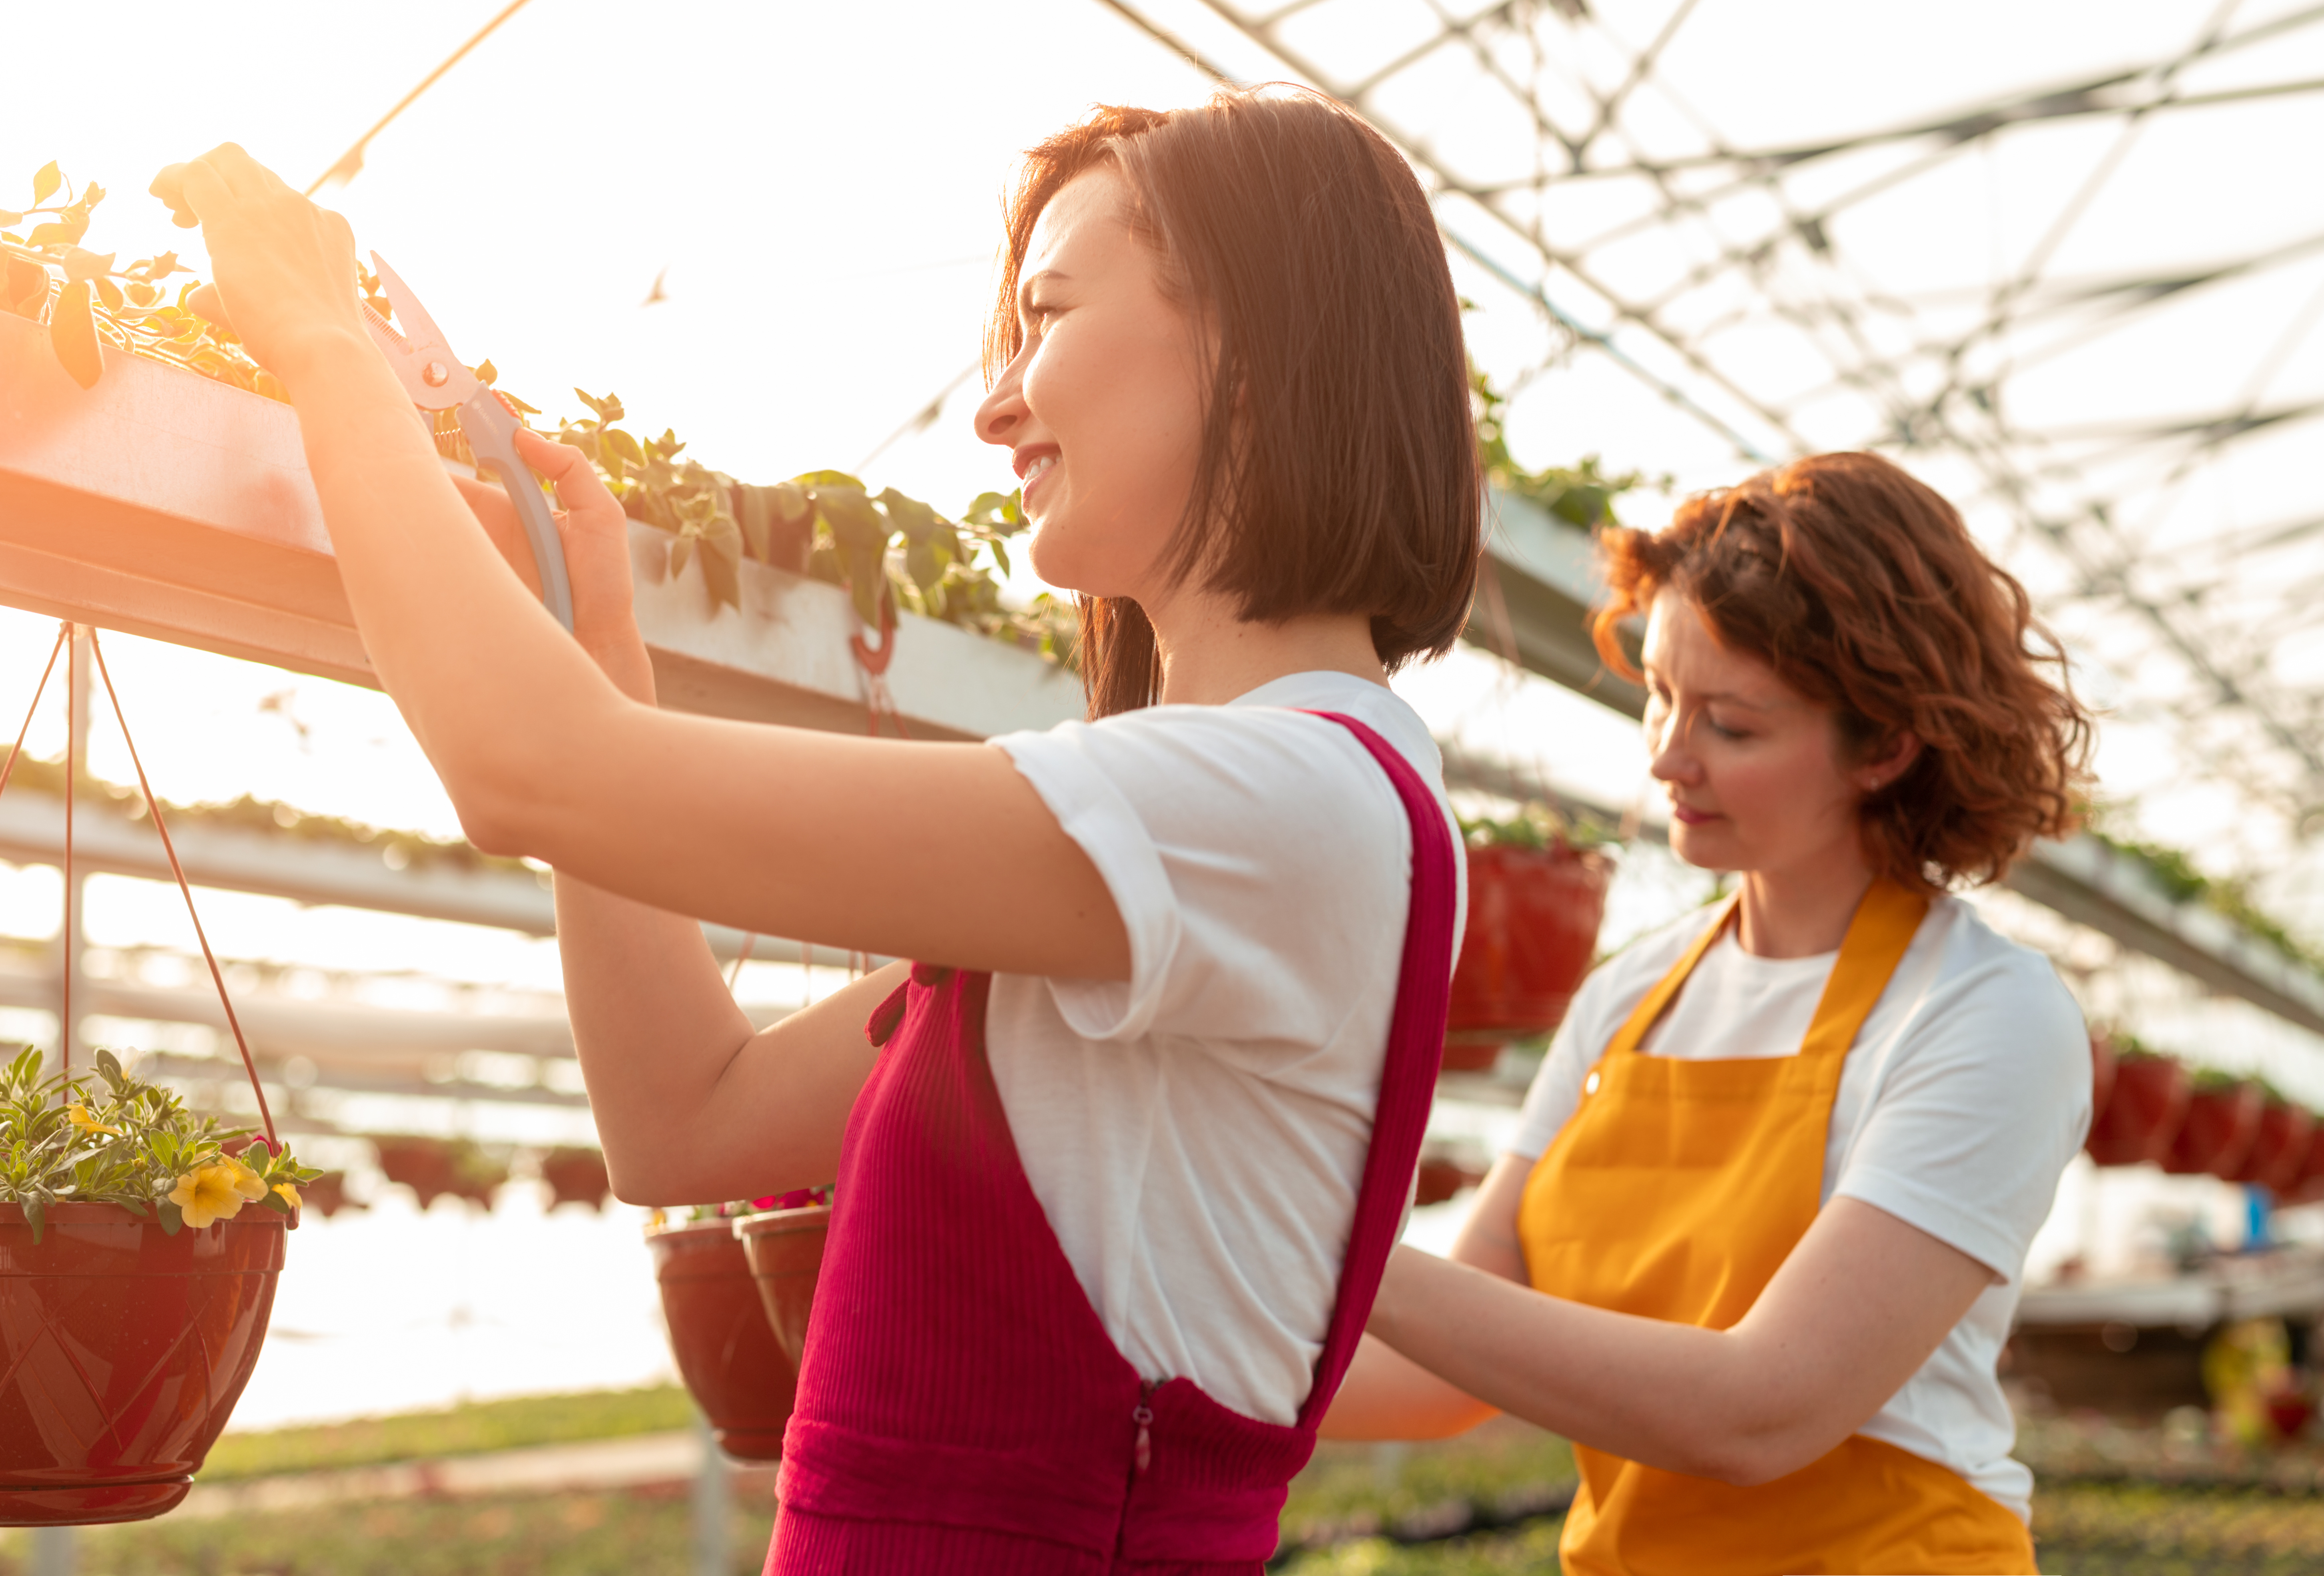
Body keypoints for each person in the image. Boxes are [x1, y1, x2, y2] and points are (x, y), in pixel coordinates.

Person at [152, 86, 1474, 1572]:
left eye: (1046, 316)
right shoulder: (1251, 821)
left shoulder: (1273, 808)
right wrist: (607, 663)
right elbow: (688, 1111)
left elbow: (531, 771)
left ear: (1253, 335)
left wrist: (328, 349)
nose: (996, 401)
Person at [1324, 453, 2097, 1574]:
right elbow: (1447, 1367)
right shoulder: (1628, 1000)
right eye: (1659, 693)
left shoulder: (1984, 1015)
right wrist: (1158, 1376)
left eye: (1731, 725)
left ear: (1884, 746)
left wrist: (1334, 1246)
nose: (1667, 757)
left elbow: (1763, 1408)